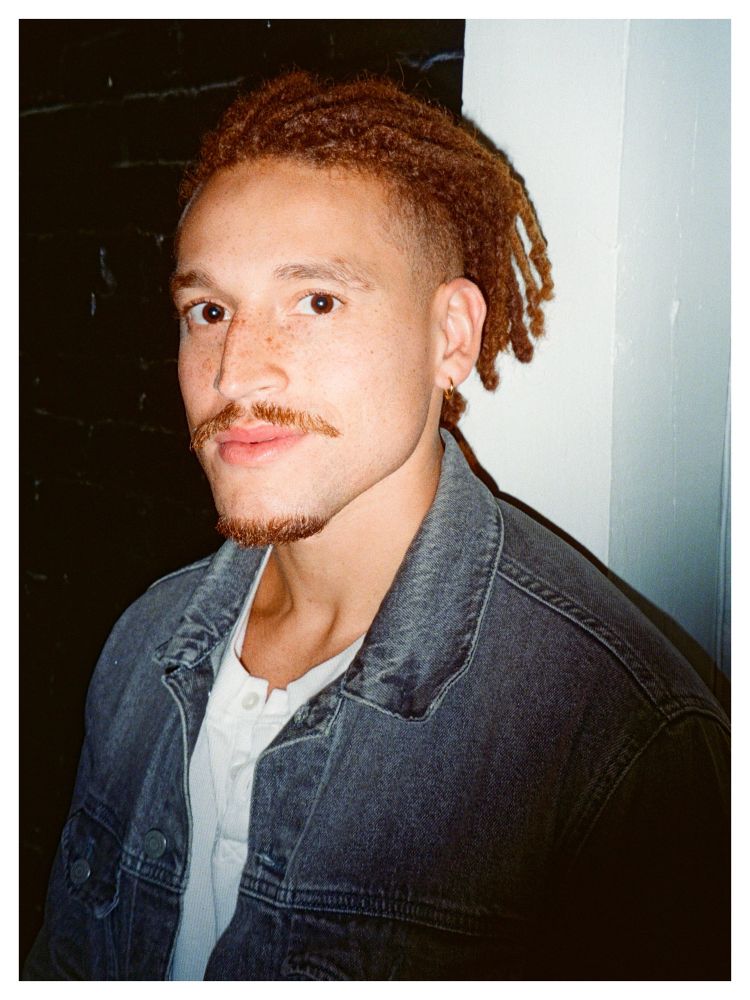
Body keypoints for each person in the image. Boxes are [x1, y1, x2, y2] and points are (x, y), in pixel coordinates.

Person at [24, 72, 729, 981]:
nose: (239, 371)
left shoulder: (618, 744)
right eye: (209, 311)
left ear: (451, 337)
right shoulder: (141, 649)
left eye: (316, 301)